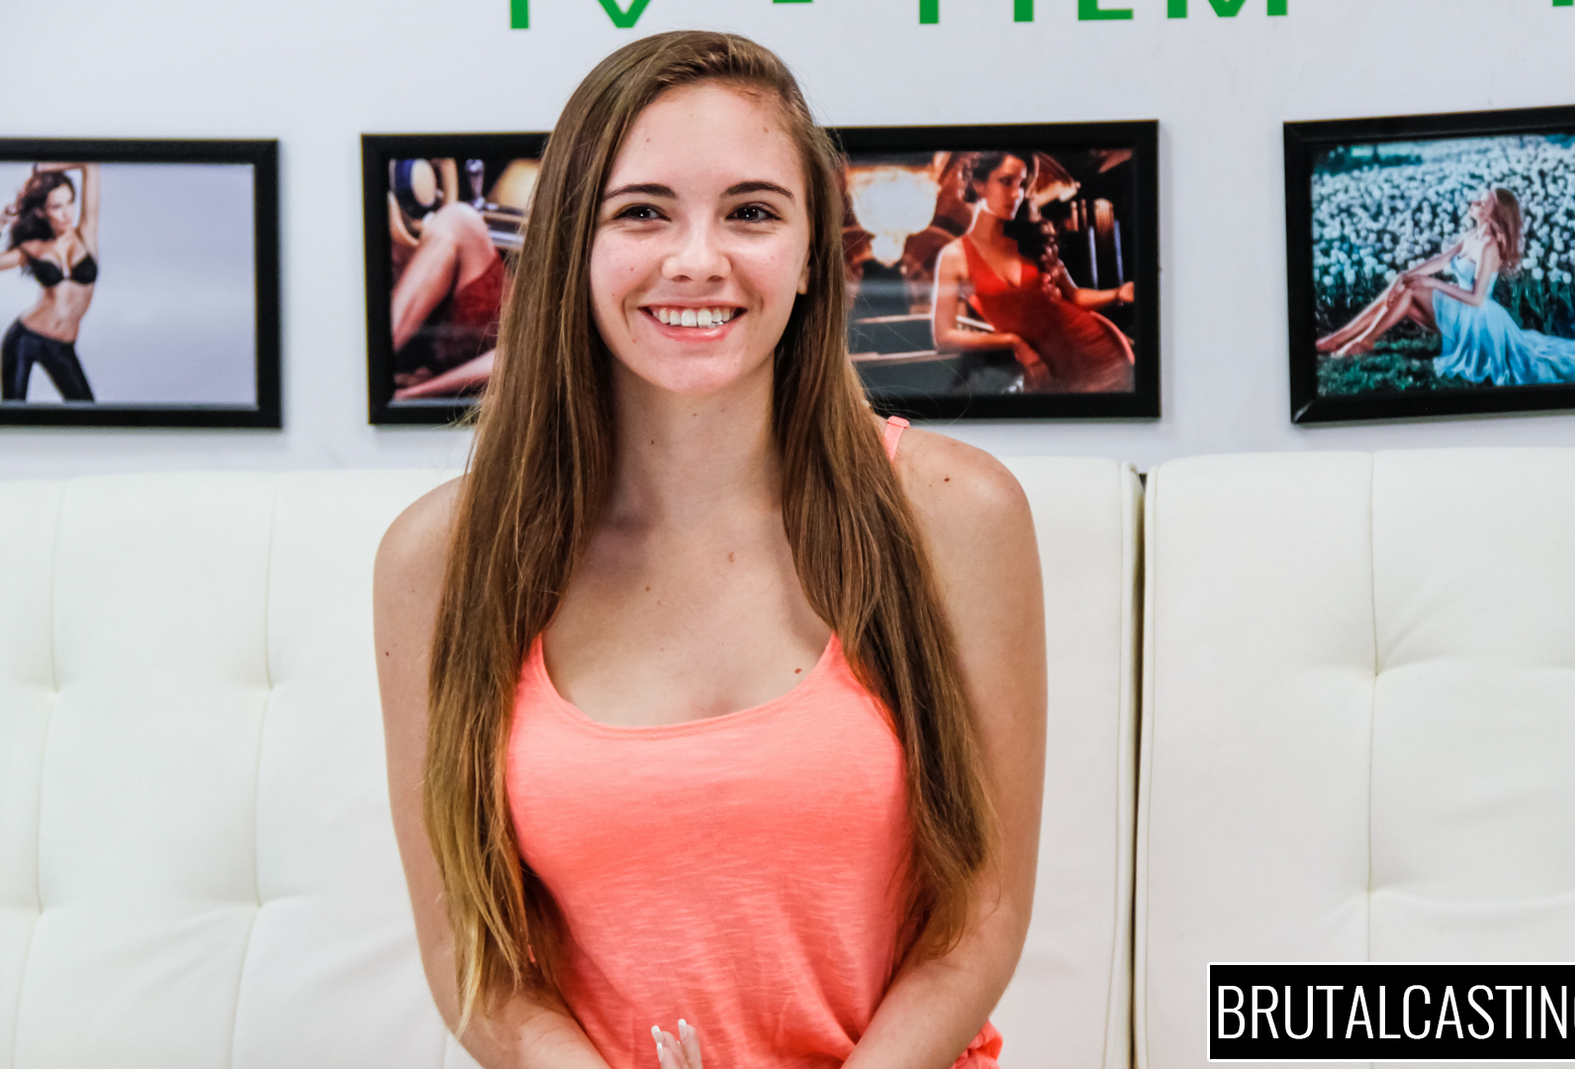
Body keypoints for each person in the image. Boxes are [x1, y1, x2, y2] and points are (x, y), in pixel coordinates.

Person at [373, 30, 1044, 1069]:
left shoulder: (958, 514)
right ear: (572, 246)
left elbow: (981, 921)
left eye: (751, 212)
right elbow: (474, 957)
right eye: (642, 212)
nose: (697, 259)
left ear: (812, 253)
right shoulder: (439, 561)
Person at [1316, 187, 1575, 385]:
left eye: (1480, 202)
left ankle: (1361, 339)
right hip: (1460, 312)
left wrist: (1429, 283)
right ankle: (1343, 338)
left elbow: (1477, 298)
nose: (1473, 202)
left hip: (1477, 320)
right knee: (1403, 285)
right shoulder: (1471, 237)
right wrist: (1407, 274)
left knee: (1411, 290)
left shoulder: (1489, 247)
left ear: (1492, 212)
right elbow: (1441, 260)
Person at [929, 151, 1134, 393]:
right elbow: (943, 337)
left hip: (1099, 351)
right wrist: (1013, 342)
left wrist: (1118, 293)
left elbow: (1075, 297)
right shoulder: (953, 256)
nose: (1017, 194)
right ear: (978, 185)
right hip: (1050, 367)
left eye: (1022, 184)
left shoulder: (1032, 242)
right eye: (1006, 181)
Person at [0, 163, 101, 401]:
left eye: (70, 202)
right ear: (41, 212)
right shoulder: (35, 249)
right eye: (57, 206)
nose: (67, 213)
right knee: (12, 414)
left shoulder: (86, 234)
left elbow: (90, 166)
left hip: (62, 346)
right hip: (25, 339)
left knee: (87, 412)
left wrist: (42, 168)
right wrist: (0, 223)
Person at [387, 158, 507, 401]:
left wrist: (412, 394)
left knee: (460, 219)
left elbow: (522, 352)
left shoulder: (458, 223)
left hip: (479, 364)